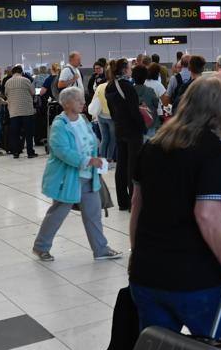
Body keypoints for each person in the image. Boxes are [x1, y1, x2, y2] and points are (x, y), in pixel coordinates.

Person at [129, 77, 221, 347]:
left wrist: (138, 255)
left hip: (147, 273)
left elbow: (137, 206)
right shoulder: (216, 152)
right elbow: (208, 214)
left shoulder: (151, 147)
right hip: (197, 278)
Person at [32, 87, 121, 262]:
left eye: (82, 99)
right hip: (68, 179)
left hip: (89, 176)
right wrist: (88, 160)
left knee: (93, 214)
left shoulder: (83, 119)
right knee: (57, 214)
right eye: (78, 100)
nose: (83, 102)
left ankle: (101, 249)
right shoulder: (60, 125)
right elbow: (62, 151)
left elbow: (91, 141)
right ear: (66, 104)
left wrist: (96, 159)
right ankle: (41, 247)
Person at [106, 58, 146, 210]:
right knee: (133, 165)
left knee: (121, 165)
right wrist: (142, 126)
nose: (131, 70)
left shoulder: (110, 86)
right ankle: (133, 202)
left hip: (119, 128)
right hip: (132, 130)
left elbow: (112, 110)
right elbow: (134, 111)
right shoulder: (128, 87)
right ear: (124, 70)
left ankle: (122, 202)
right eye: (129, 67)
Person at [4, 65, 38, 159]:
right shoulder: (26, 80)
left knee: (15, 133)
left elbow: (6, 94)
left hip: (14, 111)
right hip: (27, 111)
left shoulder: (8, 82)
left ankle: (16, 152)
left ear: (12, 73)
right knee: (28, 133)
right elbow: (33, 92)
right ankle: (30, 152)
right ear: (21, 72)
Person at [90, 67, 116, 161]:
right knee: (112, 139)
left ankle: (101, 159)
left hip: (101, 116)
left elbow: (94, 101)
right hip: (112, 116)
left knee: (104, 138)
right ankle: (109, 159)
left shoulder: (100, 86)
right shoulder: (115, 86)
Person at [132, 65, 160, 136]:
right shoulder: (150, 91)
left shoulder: (129, 91)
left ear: (133, 77)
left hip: (134, 124)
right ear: (145, 77)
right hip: (150, 123)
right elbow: (156, 104)